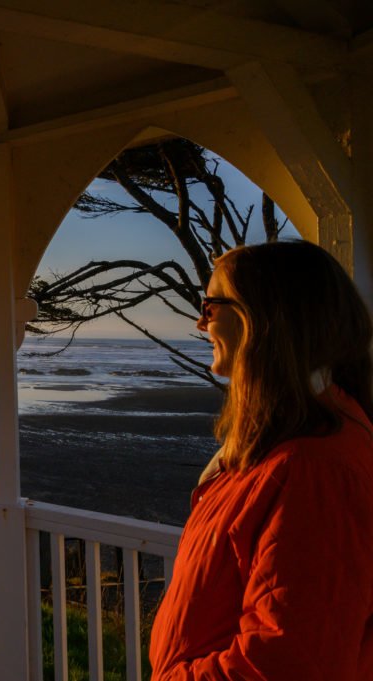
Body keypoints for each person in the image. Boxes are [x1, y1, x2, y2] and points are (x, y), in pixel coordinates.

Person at [149, 240, 373, 680]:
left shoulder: (313, 468)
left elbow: (285, 662)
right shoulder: (285, 443)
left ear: (263, 318)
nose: (200, 322)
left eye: (211, 306)